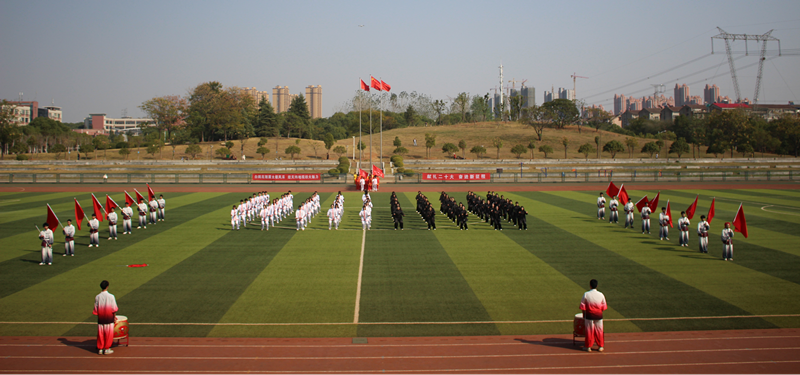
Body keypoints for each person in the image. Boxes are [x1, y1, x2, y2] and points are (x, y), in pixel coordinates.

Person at [579, 279, 607, 352]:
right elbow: (604, 307)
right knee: (599, 331)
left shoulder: (586, 294)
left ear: (590, 286)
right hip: (599, 316)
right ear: (597, 286)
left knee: (589, 331)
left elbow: (582, 306)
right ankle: (600, 346)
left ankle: (588, 346)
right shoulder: (601, 294)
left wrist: (584, 314)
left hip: (589, 316)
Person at [93, 280, 118, 355]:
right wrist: (114, 317)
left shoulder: (97, 297)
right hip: (109, 318)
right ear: (107, 286)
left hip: (101, 318)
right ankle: (107, 348)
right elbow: (114, 308)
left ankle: (100, 348)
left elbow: (96, 309)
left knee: (101, 334)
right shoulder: (111, 296)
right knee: (108, 334)